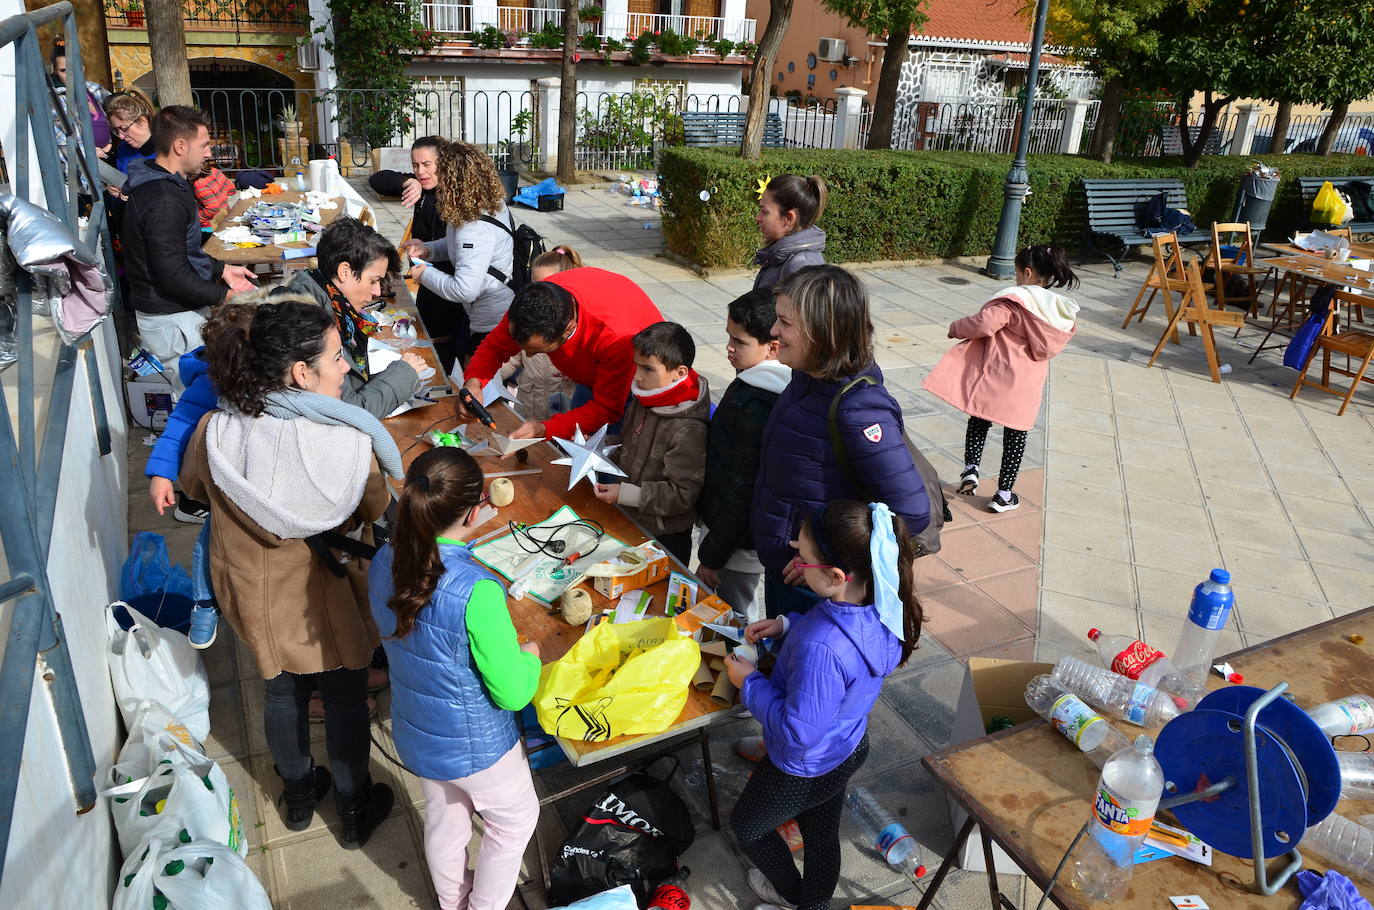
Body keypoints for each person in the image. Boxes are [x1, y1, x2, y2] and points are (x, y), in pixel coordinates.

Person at [180, 300, 397, 848]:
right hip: (327, 597)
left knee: (281, 694)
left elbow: (194, 488)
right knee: (346, 698)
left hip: (257, 594)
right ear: (302, 372)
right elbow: (374, 506)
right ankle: (353, 808)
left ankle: (298, 798)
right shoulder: (351, 444)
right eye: (337, 356)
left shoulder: (217, 430)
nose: (346, 366)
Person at [725, 499, 924, 910]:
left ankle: (794, 896)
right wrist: (787, 626)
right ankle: (813, 903)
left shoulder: (822, 647)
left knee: (747, 827)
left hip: (802, 765)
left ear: (836, 576)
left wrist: (749, 683)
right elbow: (841, 646)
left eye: (803, 556)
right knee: (820, 832)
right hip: (845, 746)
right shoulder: (881, 606)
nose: (796, 557)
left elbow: (799, 730)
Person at [368, 447, 541, 910]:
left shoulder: (385, 557)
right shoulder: (477, 590)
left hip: (417, 727)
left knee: (445, 821)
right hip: (476, 744)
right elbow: (512, 692)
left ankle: (451, 901)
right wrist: (531, 656)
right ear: (474, 508)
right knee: (516, 821)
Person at [752, 265, 930, 620]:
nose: (773, 331)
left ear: (822, 333)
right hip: (790, 574)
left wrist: (821, 561)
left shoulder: (859, 411)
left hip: (819, 592)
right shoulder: (808, 379)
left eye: (785, 323)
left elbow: (911, 512)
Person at [923, 245, 1080, 513]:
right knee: (1016, 436)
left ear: (1028, 273)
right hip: (1026, 387)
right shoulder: (1056, 312)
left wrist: (955, 327)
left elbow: (983, 324)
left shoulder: (1015, 301)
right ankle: (1004, 493)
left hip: (997, 376)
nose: (1016, 278)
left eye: (1018, 273)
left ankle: (971, 468)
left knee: (980, 417)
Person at [121, 105, 257, 388]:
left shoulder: (167, 183)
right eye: (204, 145)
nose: (209, 153)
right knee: (192, 398)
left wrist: (220, 268)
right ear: (180, 146)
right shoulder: (162, 199)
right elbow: (171, 273)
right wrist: (226, 295)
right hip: (170, 320)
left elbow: (180, 252)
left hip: (178, 314)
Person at [461, 268, 663, 442]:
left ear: (568, 329)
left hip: (637, 382)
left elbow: (606, 409)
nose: (528, 357)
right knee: (575, 435)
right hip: (594, 370)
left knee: (610, 455)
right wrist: (474, 381)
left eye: (540, 350)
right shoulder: (530, 304)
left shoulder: (616, 337)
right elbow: (494, 347)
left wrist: (544, 429)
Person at [695, 288, 791, 621]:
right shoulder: (753, 381)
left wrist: (713, 554)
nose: (729, 347)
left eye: (740, 341)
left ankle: (743, 668)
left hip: (736, 545)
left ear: (773, 347)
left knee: (735, 618)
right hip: (728, 535)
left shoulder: (761, 402)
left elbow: (743, 487)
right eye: (728, 337)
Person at [277, 216, 424, 416]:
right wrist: (404, 373)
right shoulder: (310, 326)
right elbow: (348, 411)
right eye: (373, 281)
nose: (378, 292)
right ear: (345, 271)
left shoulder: (324, 301)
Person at [592, 321, 710, 565]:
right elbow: (626, 441)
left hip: (664, 535)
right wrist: (596, 449)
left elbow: (682, 494)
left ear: (680, 373)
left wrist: (627, 494)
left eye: (647, 369)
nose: (637, 376)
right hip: (632, 518)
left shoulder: (688, 428)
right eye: (636, 366)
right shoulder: (646, 397)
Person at [401, 140, 514, 365]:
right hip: (486, 312)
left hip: (490, 321)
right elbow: (456, 244)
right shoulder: (482, 204)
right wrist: (428, 249)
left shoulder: (473, 225)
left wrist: (424, 275)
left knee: (478, 383)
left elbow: (465, 290)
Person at [369, 136, 464, 370]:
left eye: (427, 164)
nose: (420, 171)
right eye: (415, 165)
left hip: (452, 288)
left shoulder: (458, 197)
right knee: (420, 335)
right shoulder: (421, 188)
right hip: (425, 281)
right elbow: (377, 179)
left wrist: (430, 250)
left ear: (444, 163)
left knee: (444, 352)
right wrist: (407, 182)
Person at [495, 246, 581, 422]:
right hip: (529, 413)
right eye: (535, 285)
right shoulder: (527, 316)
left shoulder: (578, 324)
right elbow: (511, 358)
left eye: (549, 286)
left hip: (565, 418)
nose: (540, 293)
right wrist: (489, 379)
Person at [753, 175, 828, 291]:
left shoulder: (802, 267)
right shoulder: (780, 255)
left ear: (789, 218)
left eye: (764, 211)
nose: (758, 218)